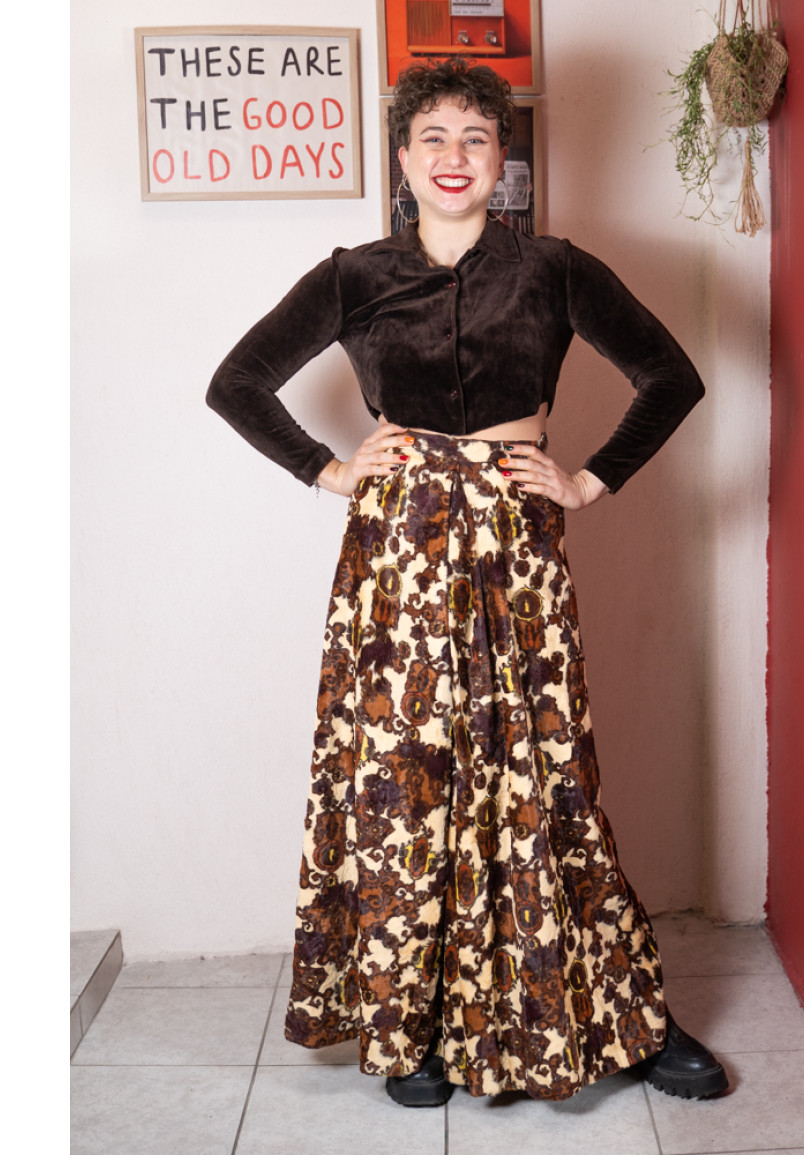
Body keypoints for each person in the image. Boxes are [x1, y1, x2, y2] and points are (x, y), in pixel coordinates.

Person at [207, 57, 728, 1108]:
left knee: (542, 771)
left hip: (515, 544)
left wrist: (587, 479)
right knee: (404, 778)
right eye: (433, 138)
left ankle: (619, 1013)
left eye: (476, 138)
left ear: (503, 159)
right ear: (402, 158)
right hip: (396, 551)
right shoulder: (353, 275)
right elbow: (238, 382)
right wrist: (329, 469)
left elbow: (672, 376)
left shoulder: (554, 269)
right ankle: (416, 1024)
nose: (454, 157)